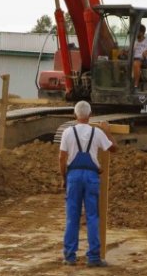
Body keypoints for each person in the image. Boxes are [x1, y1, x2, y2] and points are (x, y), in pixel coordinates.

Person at [58, 101, 117, 267]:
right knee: (92, 217)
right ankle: (93, 258)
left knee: (72, 218)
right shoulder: (97, 133)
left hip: (74, 177)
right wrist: (107, 132)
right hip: (91, 177)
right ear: (90, 115)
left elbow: (62, 158)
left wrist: (64, 178)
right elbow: (114, 148)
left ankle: (69, 256)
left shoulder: (67, 133)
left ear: (75, 115)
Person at [132, 24, 147, 90]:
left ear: (142, 33)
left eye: (137, 32)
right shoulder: (135, 42)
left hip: (143, 59)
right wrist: (124, 52)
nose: (136, 33)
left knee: (136, 64)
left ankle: (135, 85)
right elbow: (131, 51)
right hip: (133, 58)